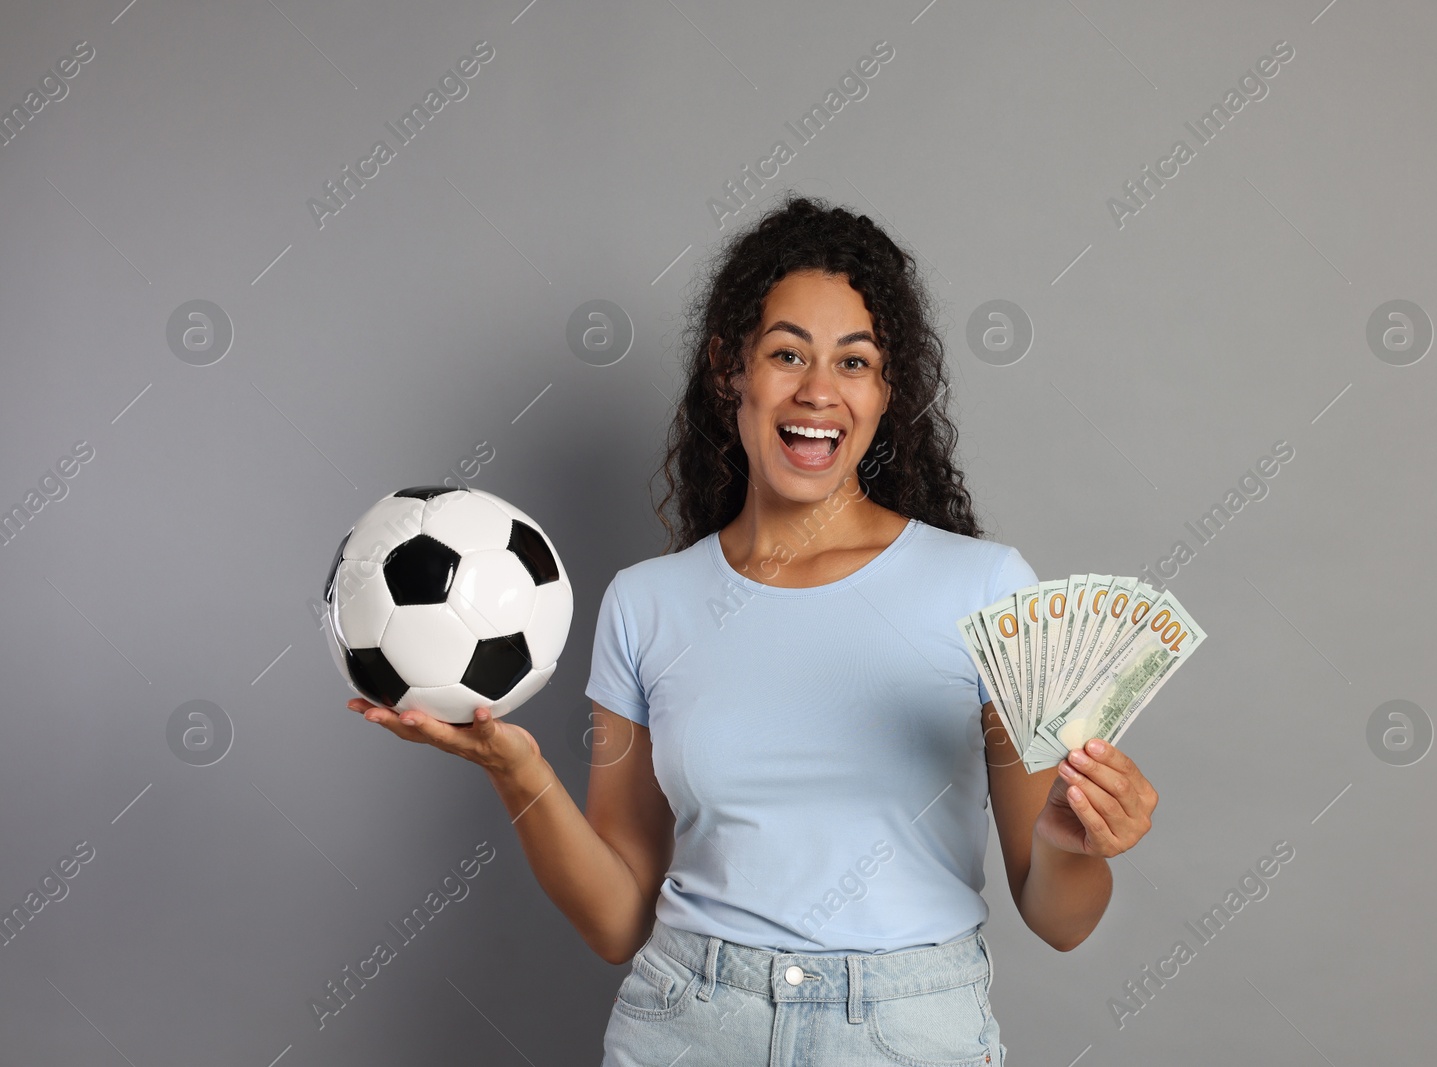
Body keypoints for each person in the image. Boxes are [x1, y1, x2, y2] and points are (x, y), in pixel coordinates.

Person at [347, 194, 1159, 1064]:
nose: (818, 391)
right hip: (690, 1025)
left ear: (888, 392)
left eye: (855, 361)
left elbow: (1060, 918)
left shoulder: (988, 590)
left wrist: (1072, 845)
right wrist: (519, 771)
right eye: (786, 354)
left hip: (906, 1035)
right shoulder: (646, 603)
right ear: (729, 367)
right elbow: (619, 919)